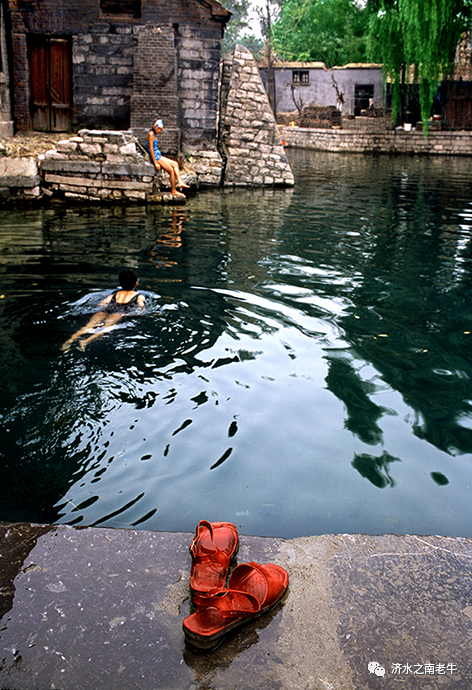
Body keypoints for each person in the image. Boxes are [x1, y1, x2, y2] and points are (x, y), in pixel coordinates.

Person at [61, 269, 145, 351]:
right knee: (105, 328)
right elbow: (140, 306)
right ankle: (85, 341)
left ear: (120, 283)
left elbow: (101, 304)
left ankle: (71, 339)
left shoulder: (114, 294)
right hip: (119, 312)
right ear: (136, 283)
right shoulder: (139, 296)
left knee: (88, 326)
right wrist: (137, 312)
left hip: (105, 311)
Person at [146, 119, 190, 198]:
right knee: (171, 170)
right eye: (158, 128)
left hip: (158, 155)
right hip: (155, 157)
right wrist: (155, 162)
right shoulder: (150, 134)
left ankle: (180, 182)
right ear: (155, 127)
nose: (159, 131)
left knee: (175, 164)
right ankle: (173, 190)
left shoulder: (154, 134)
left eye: (161, 129)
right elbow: (151, 149)